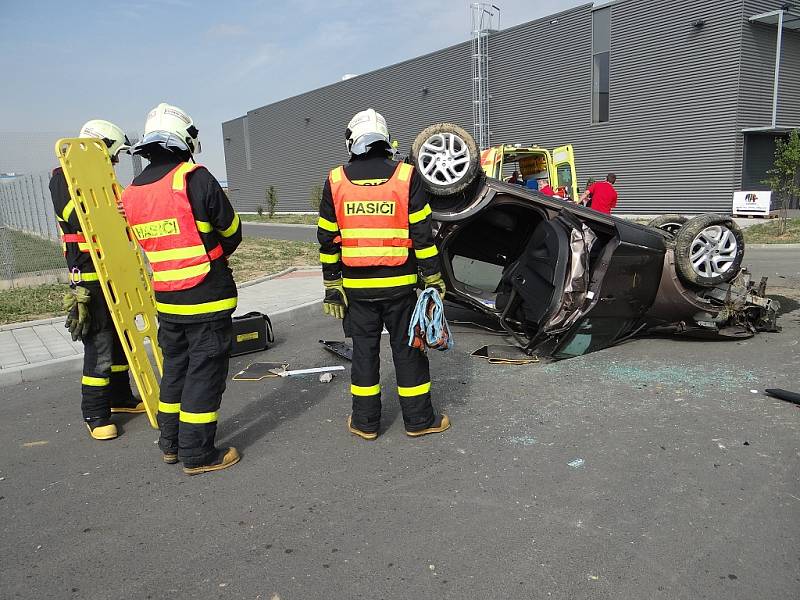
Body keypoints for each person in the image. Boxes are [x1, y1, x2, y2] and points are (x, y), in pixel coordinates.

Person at [121, 103, 242, 475]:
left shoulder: (133, 191)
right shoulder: (195, 178)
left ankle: (170, 445)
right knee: (204, 375)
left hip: (168, 300)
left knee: (175, 371)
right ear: (184, 139)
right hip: (206, 296)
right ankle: (198, 453)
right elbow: (232, 232)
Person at [318, 108, 451, 440]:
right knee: (408, 352)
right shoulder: (406, 177)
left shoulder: (335, 180)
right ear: (385, 139)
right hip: (400, 289)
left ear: (352, 141)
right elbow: (423, 234)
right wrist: (432, 278)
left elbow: (326, 237)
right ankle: (419, 421)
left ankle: (365, 424)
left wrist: (332, 285)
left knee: (363, 354)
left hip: (357, 291)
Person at [49, 120, 145, 441]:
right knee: (100, 344)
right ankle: (95, 412)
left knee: (122, 339)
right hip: (89, 278)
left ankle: (120, 397)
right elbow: (80, 217)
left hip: (115, 271)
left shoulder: (105, 180)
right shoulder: (63, 177)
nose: (115, 162)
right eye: (112, 155)